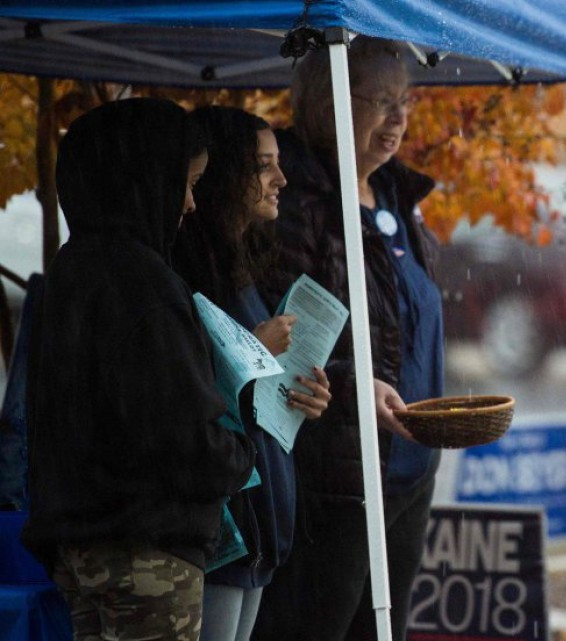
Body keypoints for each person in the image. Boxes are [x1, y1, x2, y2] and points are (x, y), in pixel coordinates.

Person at [22, 97, 256, 641]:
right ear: (146, 179)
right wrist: (242, 454)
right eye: (188, 182)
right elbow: (179, 436)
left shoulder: (70, 270)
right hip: (147, 550)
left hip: (78, 544)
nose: (192, 204)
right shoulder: (144, 283)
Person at [253, 37, 439, 641]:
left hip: (406, 467)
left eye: (404, 101)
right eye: (381, 101)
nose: (399, 118)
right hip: (334, 475)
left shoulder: (393, 195)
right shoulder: (297, 202)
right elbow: (281, 335)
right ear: (329, 102)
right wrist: (357, 386)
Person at [170, 106, 334, 641]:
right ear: (224, 174)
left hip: (260, 522)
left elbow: (254, 390)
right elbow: (188, 388)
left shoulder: (244, 261)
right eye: (263, 166)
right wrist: (253, 349)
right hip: (224, 526)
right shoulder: (185, 271)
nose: (280, 180)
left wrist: (306, 394)